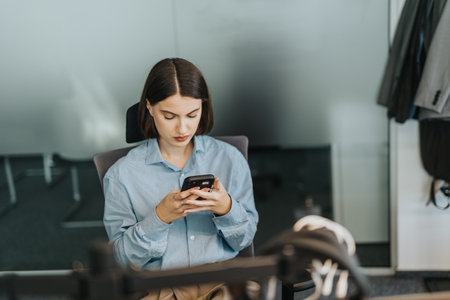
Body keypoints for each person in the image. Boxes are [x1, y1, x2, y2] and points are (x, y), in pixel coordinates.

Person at [103, 58, 259, 299]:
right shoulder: (122, 174)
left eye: (192, 114)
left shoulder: (229, 158)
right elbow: (122, 258)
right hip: (160, 287)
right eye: (169, 116)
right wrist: (159, 218)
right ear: (149, 108)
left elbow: (244, 240)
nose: (183, 128)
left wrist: (226, 209)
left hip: (222, 283)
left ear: (203, 108)